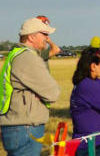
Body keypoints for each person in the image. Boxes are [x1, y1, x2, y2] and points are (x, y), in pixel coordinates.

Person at [0, 17, 61, 156]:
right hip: (26, 127)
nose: (47, 38)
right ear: (32, 37)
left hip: (16, 126)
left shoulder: (16, 54)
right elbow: (53, 92)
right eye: (44, 34)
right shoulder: (28, 57)